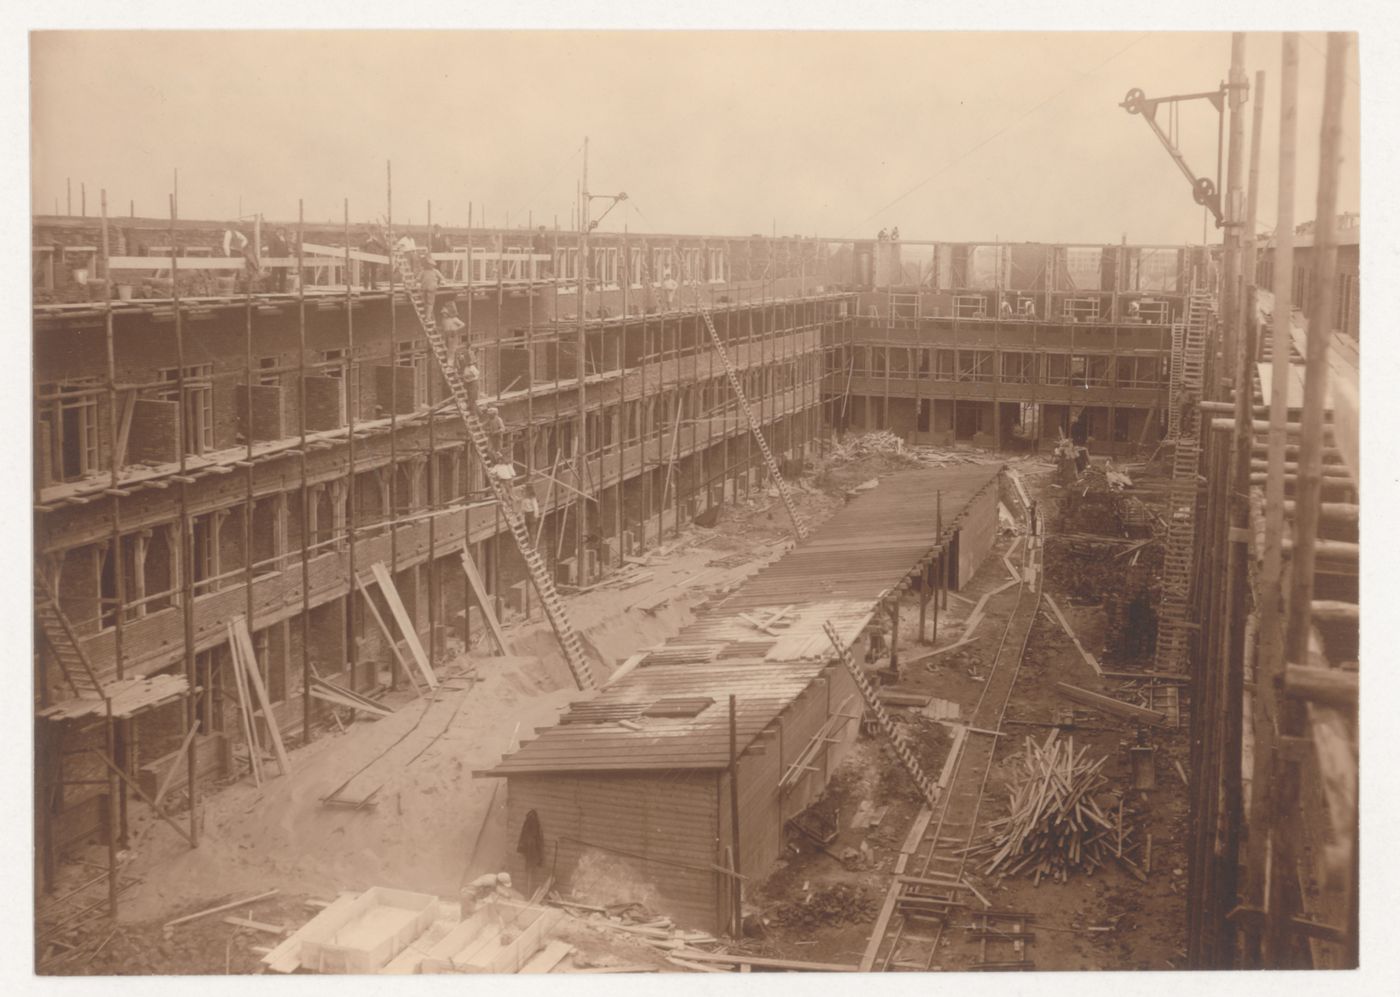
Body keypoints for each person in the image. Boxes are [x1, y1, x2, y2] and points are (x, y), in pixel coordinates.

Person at [267, 227, 291, 292]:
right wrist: (273, 259)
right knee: (274, 274)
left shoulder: (284, 239)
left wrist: (289, 253)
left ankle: (282, 289)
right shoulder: (273, 238)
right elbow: (271, 250)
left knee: (283, 274)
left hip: (284, 260)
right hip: (276, 260)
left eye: (283, 231)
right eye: (280, 230)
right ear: (277, 231)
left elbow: (285, 249)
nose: (282, 232)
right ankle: (272, 289)